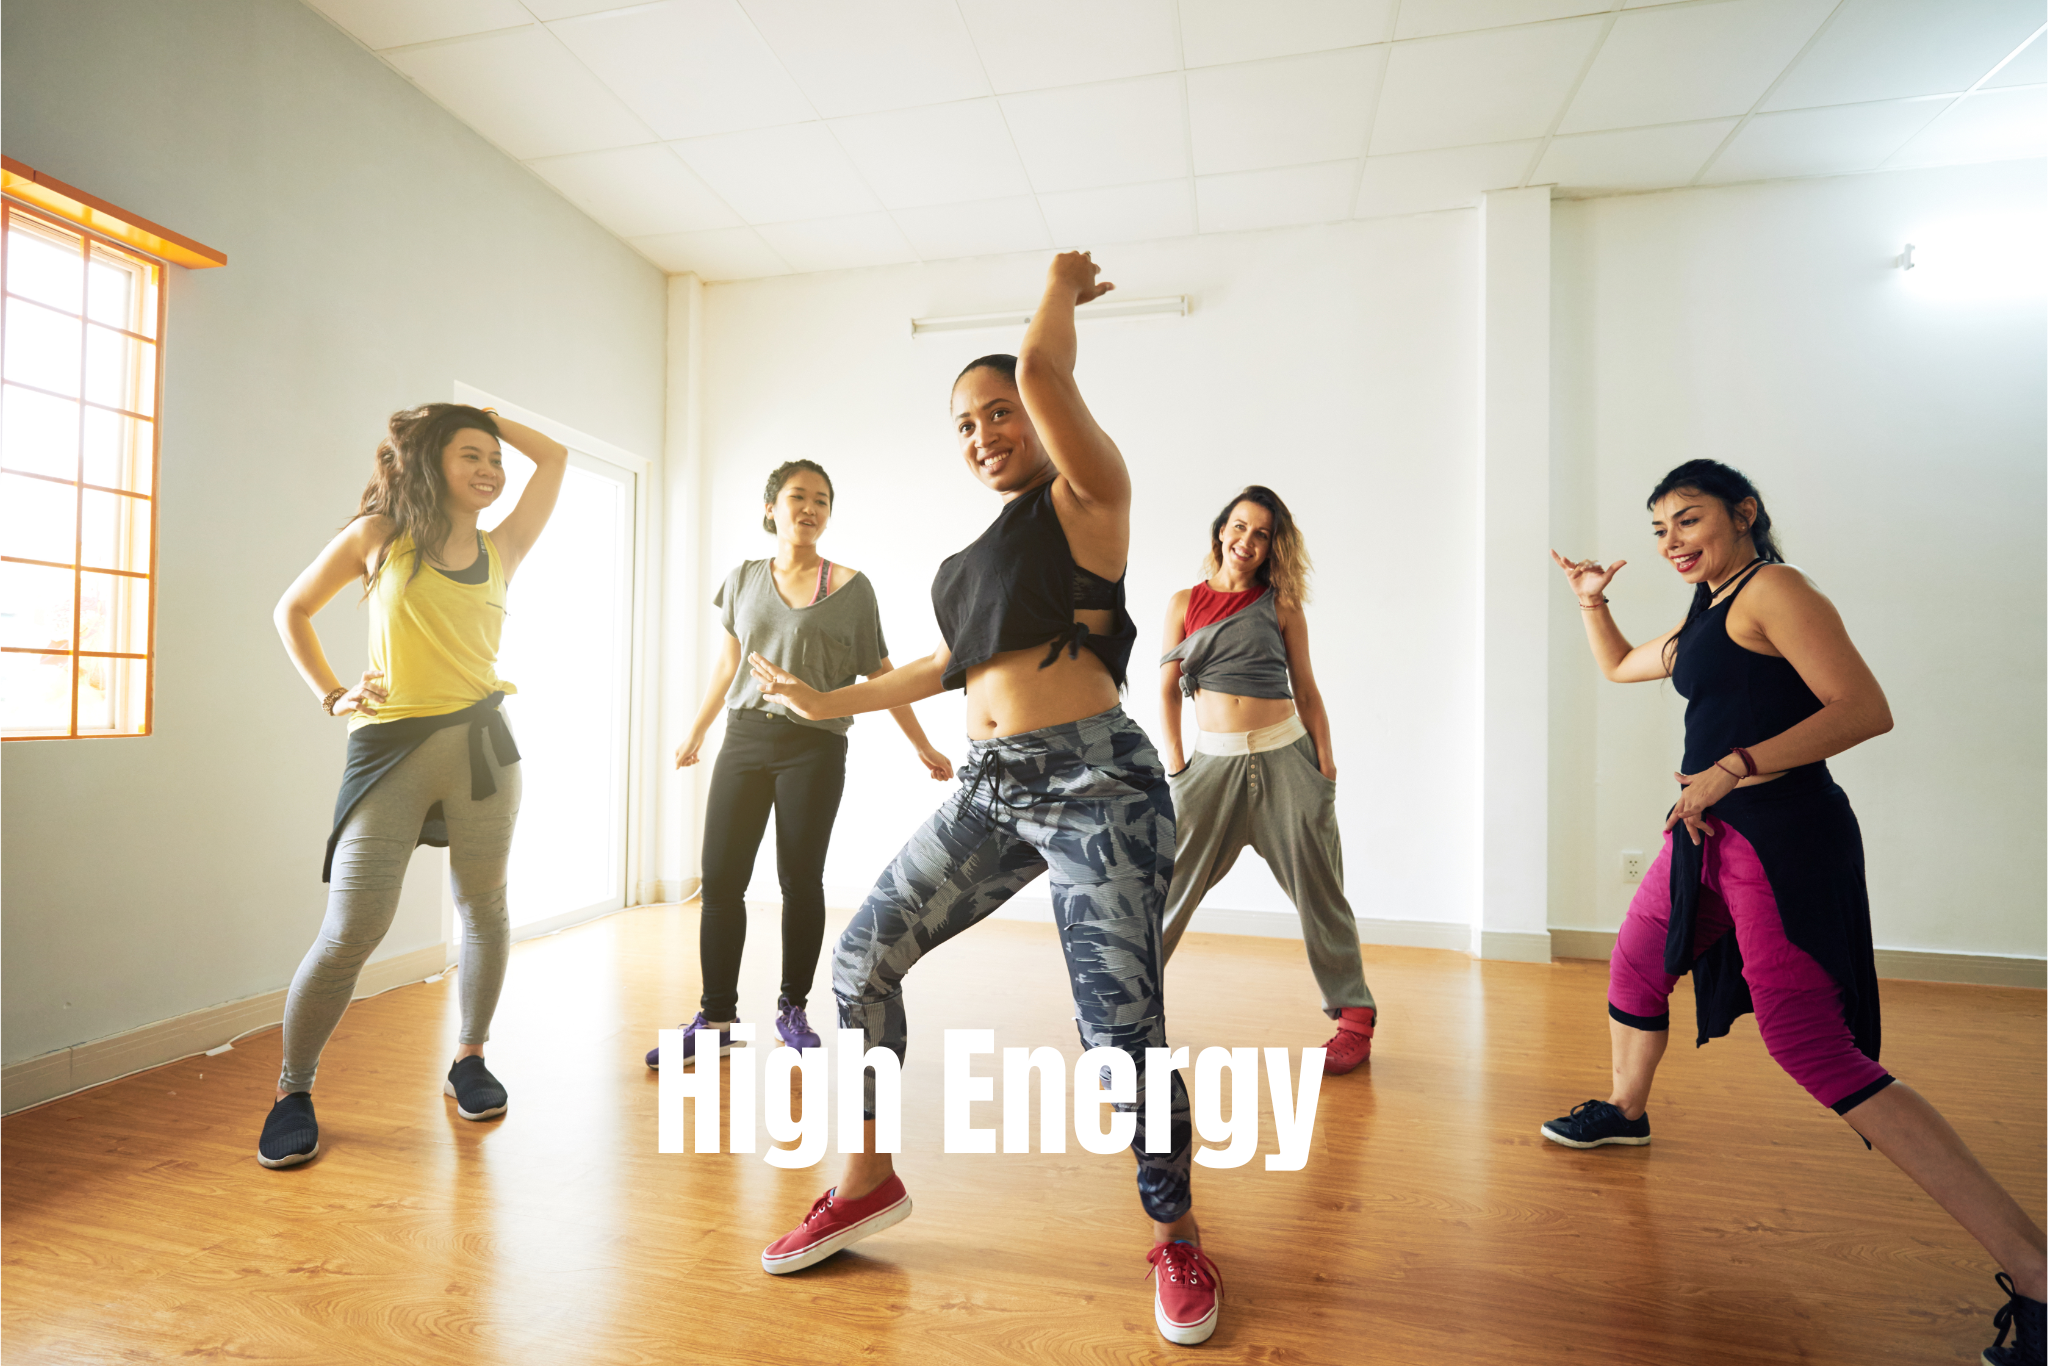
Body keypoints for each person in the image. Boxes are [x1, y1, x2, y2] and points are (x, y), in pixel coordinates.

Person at [743, 251, 1219, 1347]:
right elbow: (944, 664)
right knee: (860, 957)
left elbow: (1048, 365)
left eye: (997, 410)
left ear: (1036, 419)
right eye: (962, 422)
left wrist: (1055, 286)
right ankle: (862, 1177)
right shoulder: (972, 559)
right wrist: (829, 699)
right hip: (994, 790)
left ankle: (1176, 1231)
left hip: (1098, 783)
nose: (981, 431)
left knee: (1117, 1029)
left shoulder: (1087, 494)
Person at [1545, 458, 2045, 1366]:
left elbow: (1863, 709)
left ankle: (2039, 1274)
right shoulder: (1711, 606)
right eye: (1659, 530)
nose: (1671, 543)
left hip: (1782, 841)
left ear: (1745, 513)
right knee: (1634, 962)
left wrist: (1733, 766)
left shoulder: (1775, 589)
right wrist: (1590, 600)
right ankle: (1626, 1109)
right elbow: (1622, 666)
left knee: (1814, 1049)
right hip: (1709, 833)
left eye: (1687, 520)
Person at [257, 403, 565, 1169]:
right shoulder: (377, 539)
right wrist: (331, 693)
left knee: (484, 908)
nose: (491, 470)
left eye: (494, 458)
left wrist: (489, 417)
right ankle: (293, 1091)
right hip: (390, 752)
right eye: (471, 455)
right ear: (431, 461)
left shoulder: (504, 547)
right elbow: (290, 610)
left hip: (485, 755)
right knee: (351, 932)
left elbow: (554, 458)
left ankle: (469, 1057)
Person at [646, 459, 953, 1070]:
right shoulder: (743, 579)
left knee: (799, 881)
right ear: (771, 508)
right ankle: (716, 1017)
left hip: (814, 748)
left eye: (820, 500)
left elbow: (881, 673)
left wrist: (920, 743)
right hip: (744, 739)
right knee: (722, 881)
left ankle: (793, 1009)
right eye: (796, 497)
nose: (808, 508)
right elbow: (727, 664)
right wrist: (698, 730)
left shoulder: (850, 587)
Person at [1156, 486, 1377, 1073]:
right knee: (1167, 889)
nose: (1246, 541)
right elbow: (1164, 693)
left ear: (1272, 546)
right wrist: (1177, 765)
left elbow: (1306, 689)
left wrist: (1325, 767)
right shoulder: (1184, 602)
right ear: (1219, 531)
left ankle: (1355, 1020)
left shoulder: (1281, 605)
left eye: (1260, 533)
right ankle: (1127, 1020)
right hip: (1210, 768)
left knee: (1320, 889)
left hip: (1286, 761)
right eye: (1238, 527)